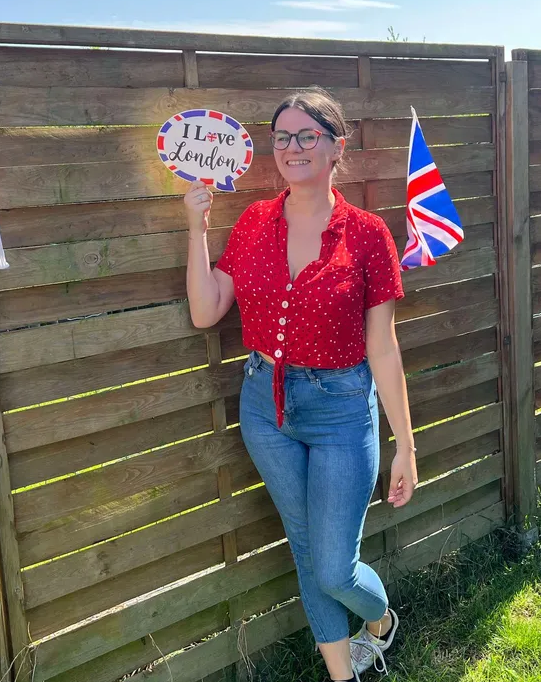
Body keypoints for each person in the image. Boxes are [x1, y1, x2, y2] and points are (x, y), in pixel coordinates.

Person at [183, 87, 418, 681]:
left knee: (334, 568)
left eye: (308, 135)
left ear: (336, 146)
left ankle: (381, 621)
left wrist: (405, 446)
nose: (293, 147)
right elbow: (206, 310)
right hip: (265, 407)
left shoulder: (367, 234)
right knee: (306, 547)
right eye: (283, 136)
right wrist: (196, 228)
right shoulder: (253, 222)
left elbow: (383, 347)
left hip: (342, 411)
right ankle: (343, 675)